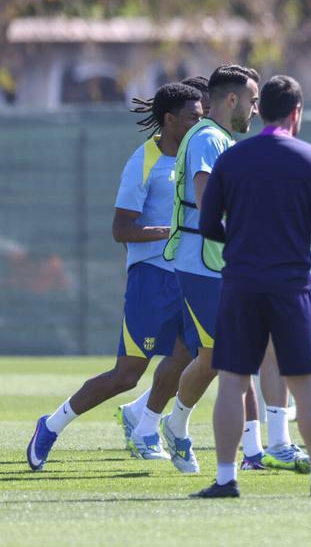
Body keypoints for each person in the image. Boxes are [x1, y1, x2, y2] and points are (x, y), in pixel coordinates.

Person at [27, 83, 204, 470]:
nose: (199, 121)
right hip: (152, 280)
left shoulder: (197, 155)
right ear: (170, 119)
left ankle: (146, 427)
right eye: (193, 115)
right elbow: (121, 230)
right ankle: (51, 425)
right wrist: (167, 232)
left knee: (189, 354)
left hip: (188, 276)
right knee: (127, 375)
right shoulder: (142, 162)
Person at [192, 75, 311, 497]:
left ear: (262, 110)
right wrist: (293, 225)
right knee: (306, 384)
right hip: (292, 285)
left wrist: (243, 234)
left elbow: (208, 224)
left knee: (232, 382)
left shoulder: (233, 159)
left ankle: (225, 479)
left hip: (241, 282)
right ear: (296, 112)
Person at [160, 64, 262, 474]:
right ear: (233, 100)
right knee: (223, 355)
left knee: (221, 356)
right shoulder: (207, 138)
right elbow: (207, 208)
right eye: (252, 101)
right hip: (201, 263)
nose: (256, 110)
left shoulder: (223, 140)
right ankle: (178, 426)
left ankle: (246, 449)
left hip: (218, 262)